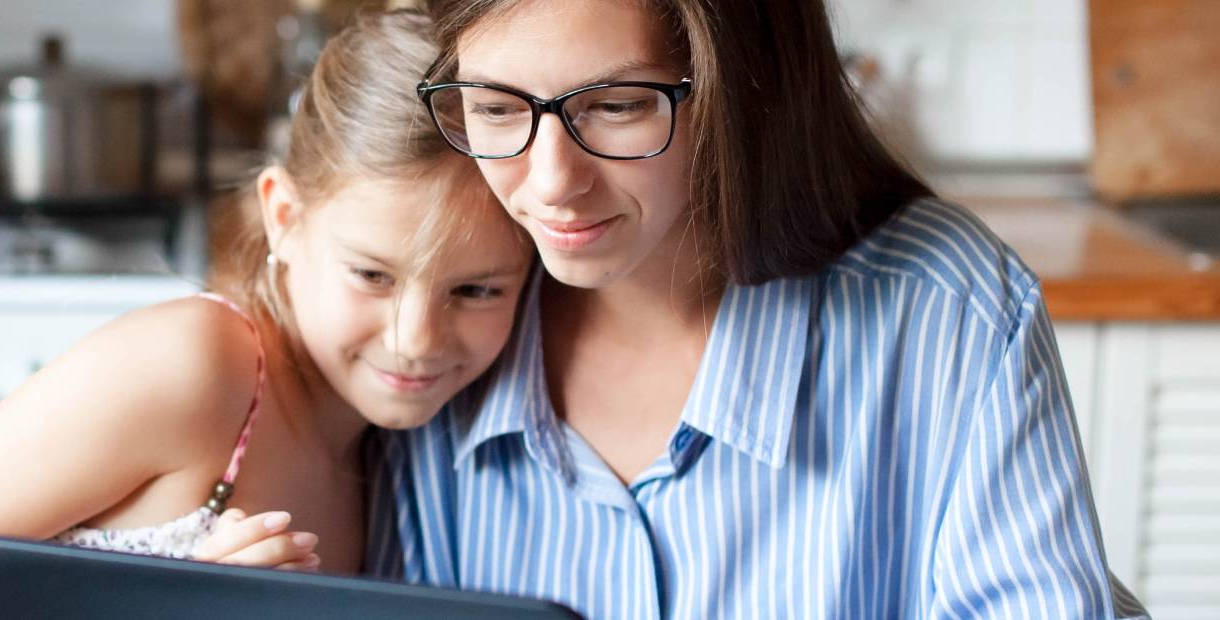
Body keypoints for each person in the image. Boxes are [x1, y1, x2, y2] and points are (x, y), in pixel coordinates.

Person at [366, 0, 1151, 617]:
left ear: (740, 91)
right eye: (497, 109)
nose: (549, 184)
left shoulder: (946, 312)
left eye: (616, 106)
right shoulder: (420, 324)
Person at [0, 11, 532, 574]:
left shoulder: (397, 454)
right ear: (284, 216)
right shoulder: (197, 365)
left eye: (476, 290)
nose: (416, 339)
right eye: (371, 275)